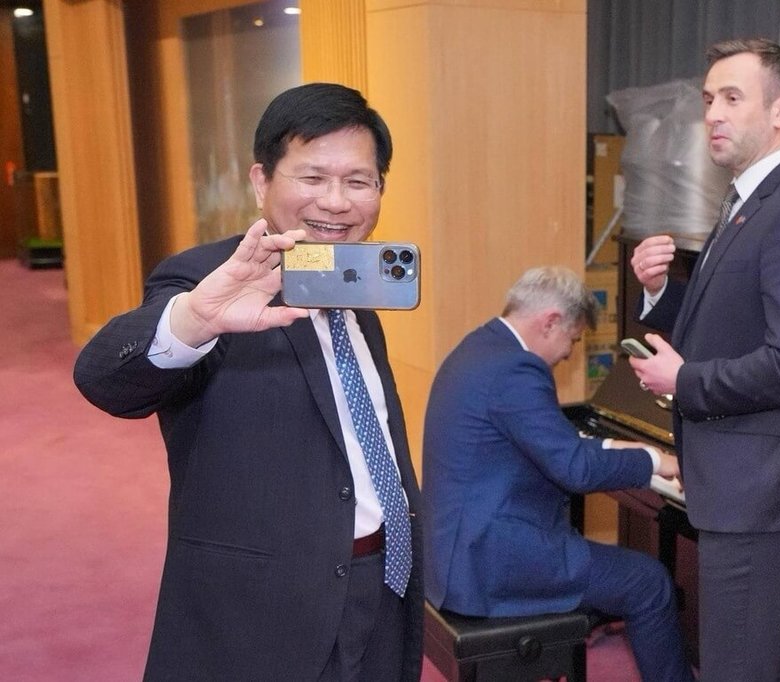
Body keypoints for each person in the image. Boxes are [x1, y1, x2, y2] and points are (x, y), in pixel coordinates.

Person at [73, 83, 423, 681]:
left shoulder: (357, 287)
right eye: (312, 178)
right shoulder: (207, 280)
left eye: (359, 181)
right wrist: (194, 319)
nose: (336, 201)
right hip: (262, 617)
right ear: (261, 181)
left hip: (381, 585)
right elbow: (104, 379)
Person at [627, 38, 780, 682]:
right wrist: (660, 293)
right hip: (737, 482)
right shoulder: (750, 198)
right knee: (753, 664)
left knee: (737, 668)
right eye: (708, 100)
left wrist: (684, 380)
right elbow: (728, 326)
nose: (713, 115)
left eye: (732, 98)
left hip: (761, 489)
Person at [423, 266, 696, 682]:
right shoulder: (517, 370)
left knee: (623, 572)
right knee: (649, 582)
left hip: (458, 550)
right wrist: (657, 461)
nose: (569, 353)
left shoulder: (479, 348)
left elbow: (553, 445)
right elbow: (574, 469)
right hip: (492, 559)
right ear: (550, 321)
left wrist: (622, 448)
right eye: (573, 339)